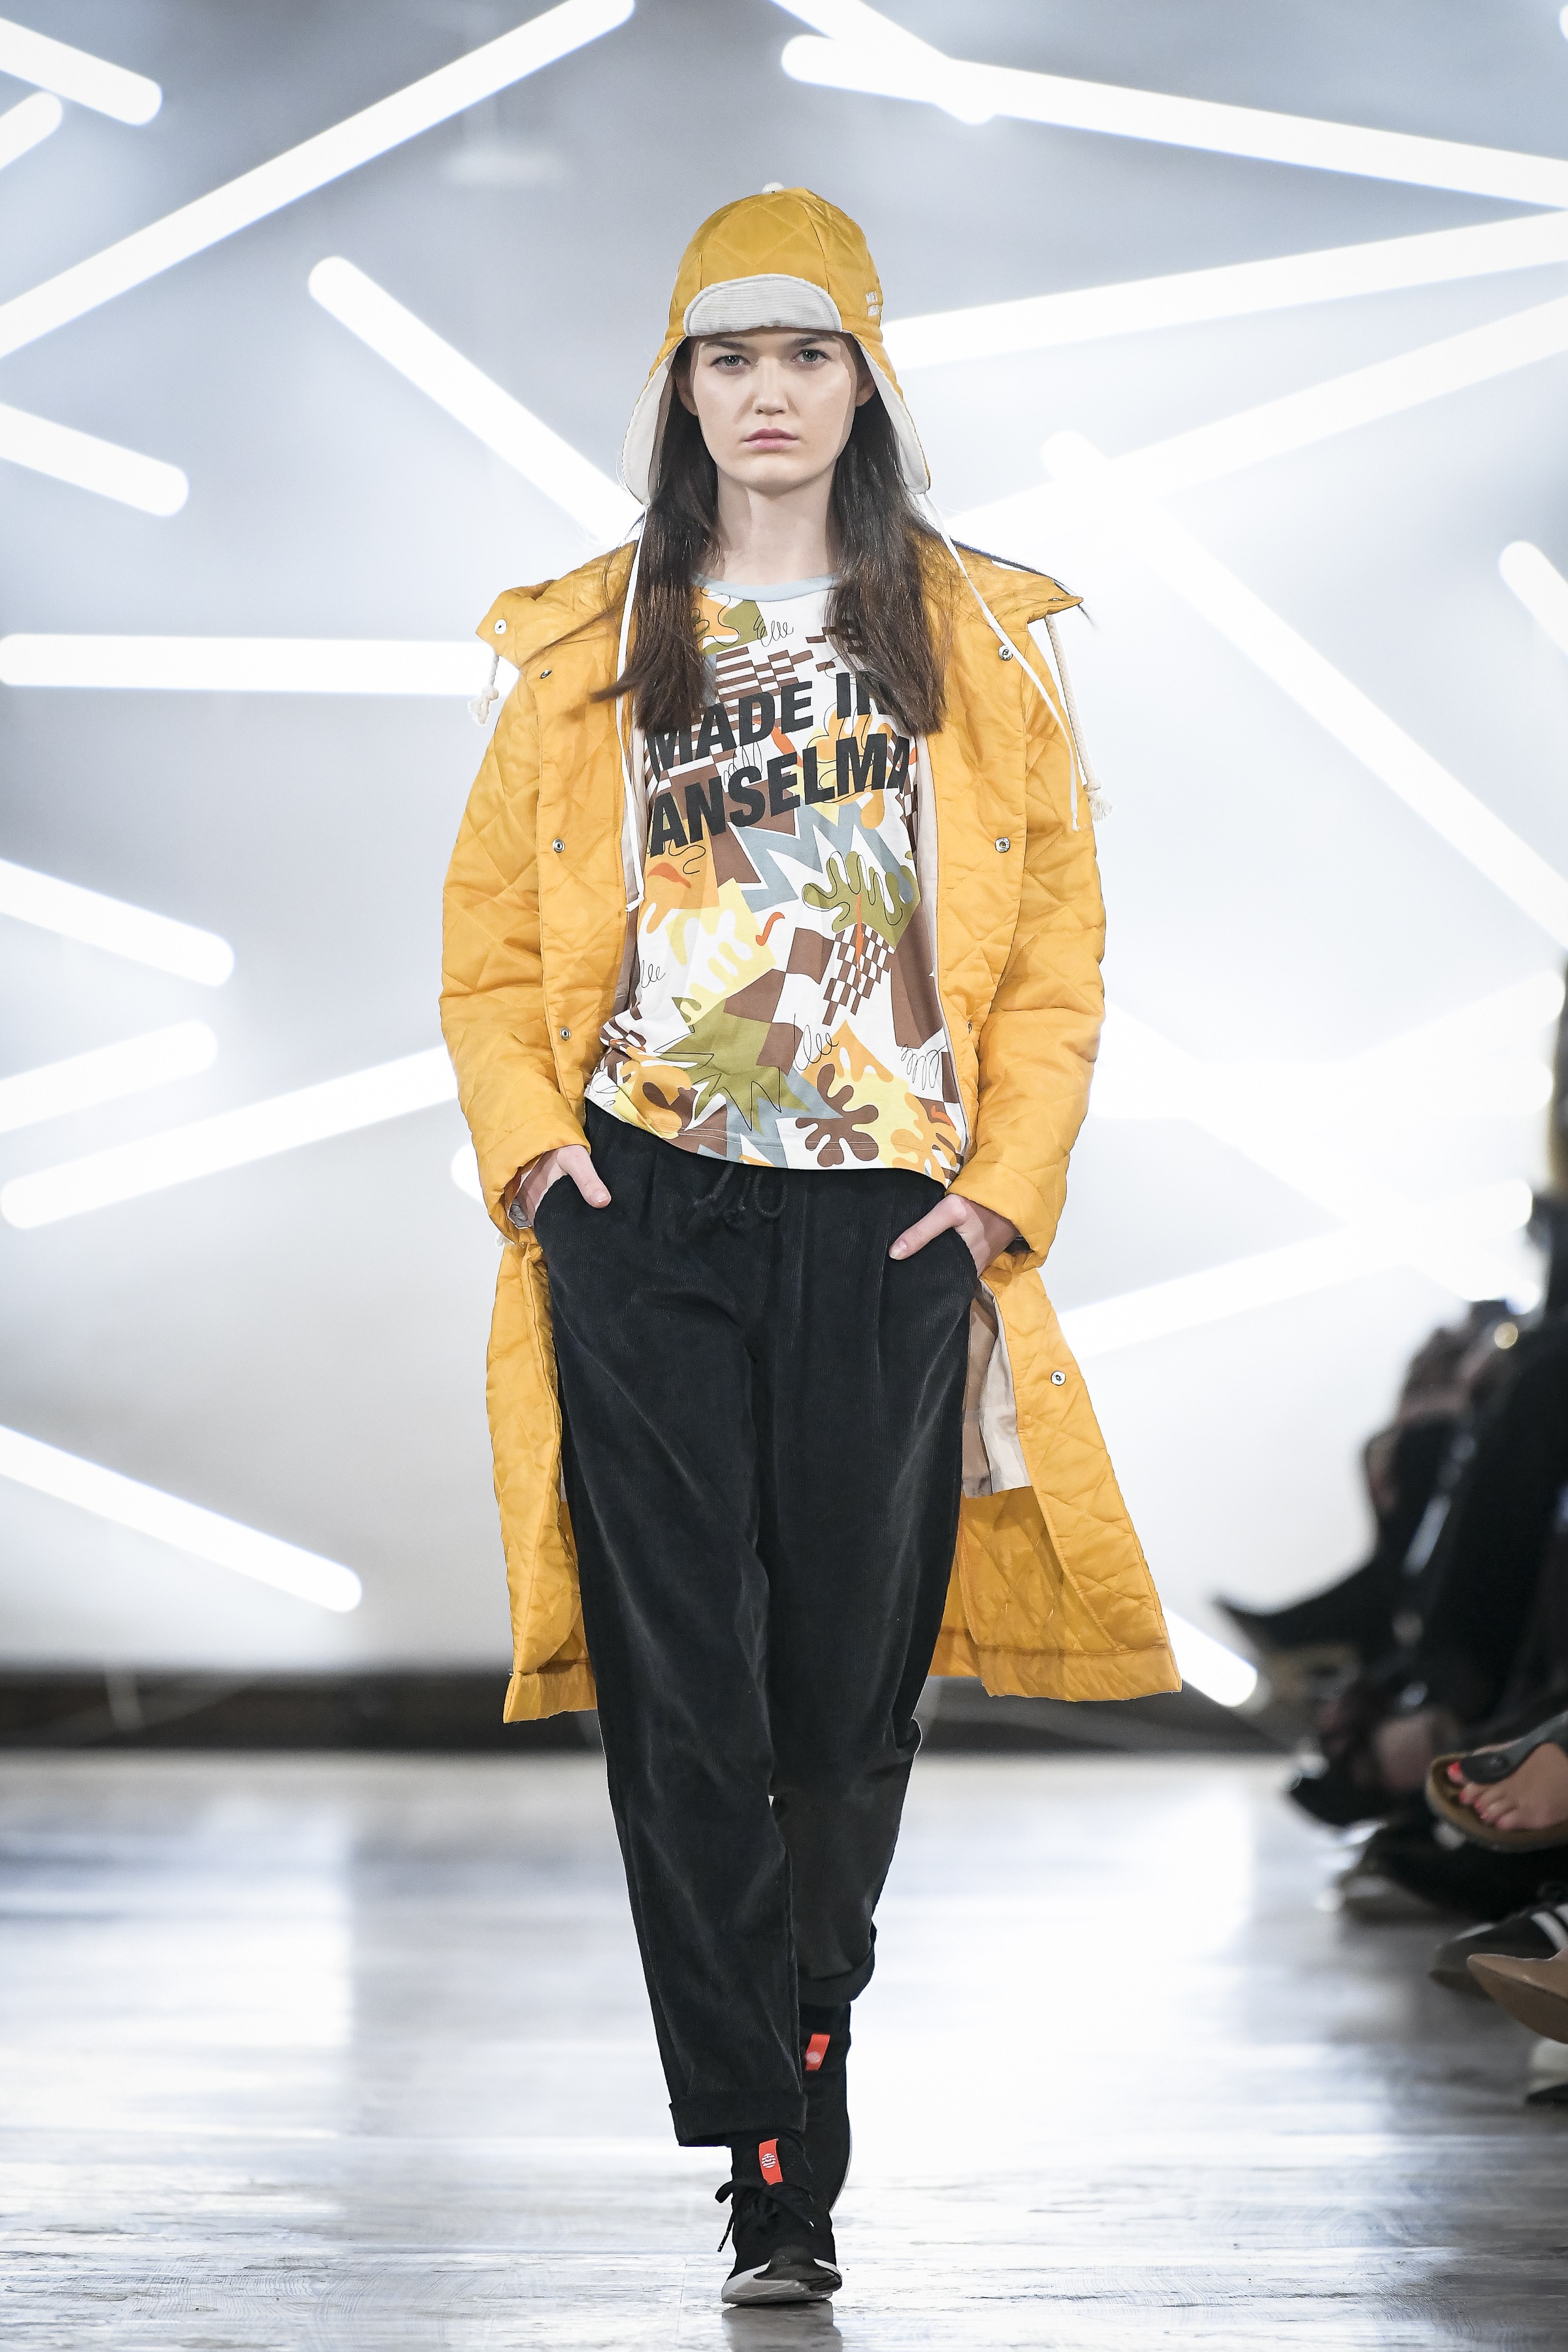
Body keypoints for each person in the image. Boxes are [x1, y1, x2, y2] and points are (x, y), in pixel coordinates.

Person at [441, 187, 1177, 2307]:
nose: (767, 393)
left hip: (891, 1214)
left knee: (846, 1696)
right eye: (728, 357)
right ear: (679, 392)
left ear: (869, 382)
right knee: (682, 1687)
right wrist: (538, 1160)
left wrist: (999, 1188)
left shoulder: (978, 642)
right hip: (643, 1199)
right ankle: (774, 2154)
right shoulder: (587, 644)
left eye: (806, 353)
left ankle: (806, 2021)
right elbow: (489, 941)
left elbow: (1061, 949)